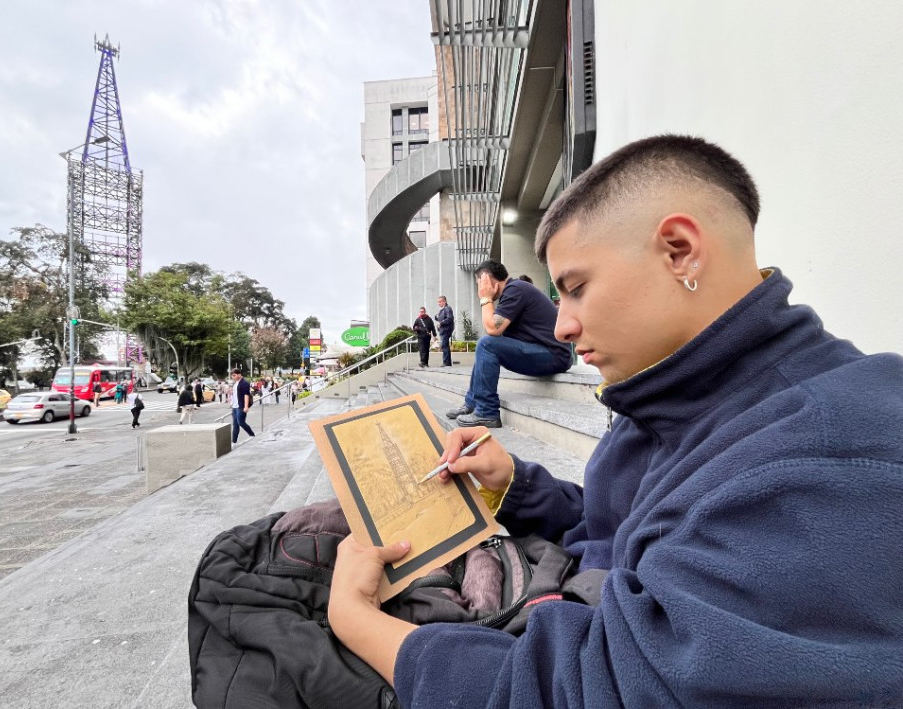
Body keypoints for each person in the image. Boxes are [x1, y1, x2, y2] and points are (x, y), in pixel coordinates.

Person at [327, 135, 903, 707]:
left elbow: (589, 694)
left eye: (576, 290)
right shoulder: (673, 385)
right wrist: (516, 483)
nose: (562, 325)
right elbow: (638, 526)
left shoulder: (828, 461)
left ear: (680, 251)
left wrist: (357, 622)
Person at [445, 260, 572, 428]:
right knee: (487, 345)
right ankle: (472, 404)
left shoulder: (516, 289)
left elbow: (492, 329)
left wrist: (485, 298)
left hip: (553, 355)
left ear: (488, 281)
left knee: (487, 344)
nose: (479, 290)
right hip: (541, 351)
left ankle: (486, 412)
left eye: (480, 284)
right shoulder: (512, 292)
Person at [230, 368, 255, 444]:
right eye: (232, 376)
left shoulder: (244, 383)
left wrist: (246, 406)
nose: (233, 377)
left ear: (239, 374)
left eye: (234, 375)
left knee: (241, 422)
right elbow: (235, 394)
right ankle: (234, 441)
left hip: (241, 406)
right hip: (234, 407)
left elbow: (246, 395)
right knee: (235, 425)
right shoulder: (236, 383)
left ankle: (252, 434)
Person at [434, 295, 455, 367]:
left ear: (444, 301)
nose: (438, 303)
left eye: (440, 302)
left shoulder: (447, 309)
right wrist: (436, 317)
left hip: (446, 330)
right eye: (438, 302)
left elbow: (450, 319)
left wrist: (441, 323)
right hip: (443, 330)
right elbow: (440, 318)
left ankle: (446, 362)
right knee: (445, 345)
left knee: (444, 345)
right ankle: (448, 362)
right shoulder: (443, 309)